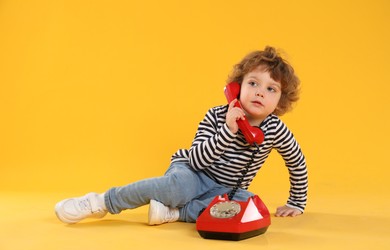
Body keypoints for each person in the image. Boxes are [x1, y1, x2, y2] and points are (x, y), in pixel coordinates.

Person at [55, 46, 308, 225]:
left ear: (280, 101)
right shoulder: (217, 115)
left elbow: (296, 161)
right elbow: (198, 160)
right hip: (193, 173)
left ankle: (174, 214)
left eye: (271, 89)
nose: (260, 92)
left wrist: (297, 201)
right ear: (237, 86)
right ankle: (102, 202)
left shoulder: (276, 130)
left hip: (225, 188)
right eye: (253, 83)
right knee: (180, 188)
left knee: (251, 207)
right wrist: (229, 131)